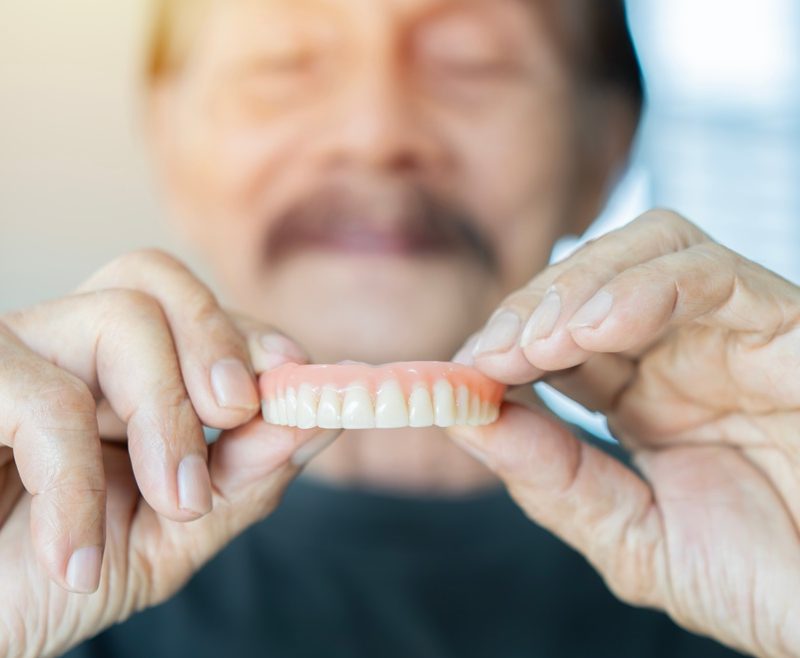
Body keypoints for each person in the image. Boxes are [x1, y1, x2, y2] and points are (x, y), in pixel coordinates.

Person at [0, 0, 796, 656]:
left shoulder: (759, 557)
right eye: (286, 61)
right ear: (170, 142)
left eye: (471, 62)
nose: (375, 135)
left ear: (606, 150)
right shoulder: (34, 561)